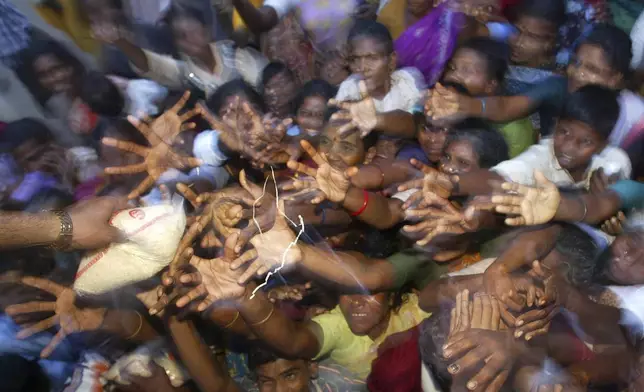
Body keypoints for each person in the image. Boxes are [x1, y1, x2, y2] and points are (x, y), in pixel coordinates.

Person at [92, 2, 267, 96]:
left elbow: (267, 84)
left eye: (192, 32)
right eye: (182, 37)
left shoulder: (235, 54)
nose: (189, 40)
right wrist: (122, 43)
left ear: (206, 31)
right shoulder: (187, 73)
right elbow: (152, 65)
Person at [441, 37, 535, 157]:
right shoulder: (444, 106)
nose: (453, 76)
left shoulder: (515, 130)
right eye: (452, 67)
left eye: (467, 71)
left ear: (491, 84)